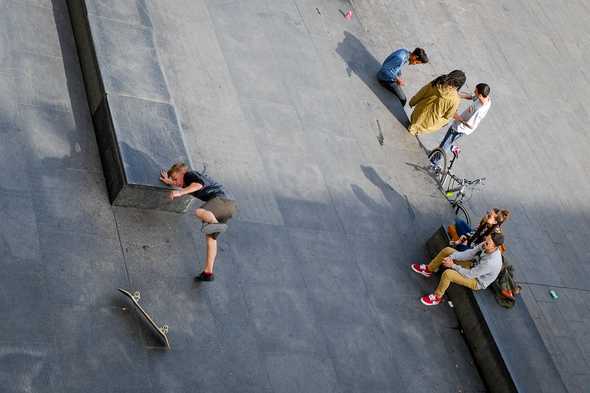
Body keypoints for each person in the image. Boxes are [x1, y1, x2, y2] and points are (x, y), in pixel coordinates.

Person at [160, 163, 237, 282]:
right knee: (211, 239)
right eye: (174, 181)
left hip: (222, 202)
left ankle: (216, 224)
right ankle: (208, 272)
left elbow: (198, 185)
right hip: (228, 207)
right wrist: (171, 182)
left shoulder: (189, 175)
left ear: (182, 172)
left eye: (176, 178)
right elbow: (187, 186)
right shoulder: (186, 182)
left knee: (199, 211)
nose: (177, 183)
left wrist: (180, 193)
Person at [411, 232, 504, 306]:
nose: (485, 243)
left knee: (448, 274)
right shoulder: (486, 244)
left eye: (488, 242)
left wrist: (453, 265)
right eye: (486, 239)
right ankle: (428, 269)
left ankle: (437, 297)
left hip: (477, 280)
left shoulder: (491, 262)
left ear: (495, 247)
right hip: (473, 265)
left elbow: (470, 274)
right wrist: (451, 257)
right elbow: (470, 254)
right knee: (447, 250)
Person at [433, 83, 492, 160]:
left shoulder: (479, 110)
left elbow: (470, 125)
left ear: (480, 95)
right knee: (446, 141)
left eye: (476, 91)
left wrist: (456, 116)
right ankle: (435, 154)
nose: (474, 92)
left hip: (460, 128)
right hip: (460, 124)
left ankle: (434, 162)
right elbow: (472, 97)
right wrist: (458, 95)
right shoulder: (486, 98)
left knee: (446, 143)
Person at [408, 70, 466, 135]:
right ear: (459, 85)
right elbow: (448, 116)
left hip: (417, 114)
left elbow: (422, 92)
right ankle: (417, 129)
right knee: (447, 119)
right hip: (428, 124)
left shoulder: (438, 82)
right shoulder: (455, 99)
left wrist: (412, 102)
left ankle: (414, 126)